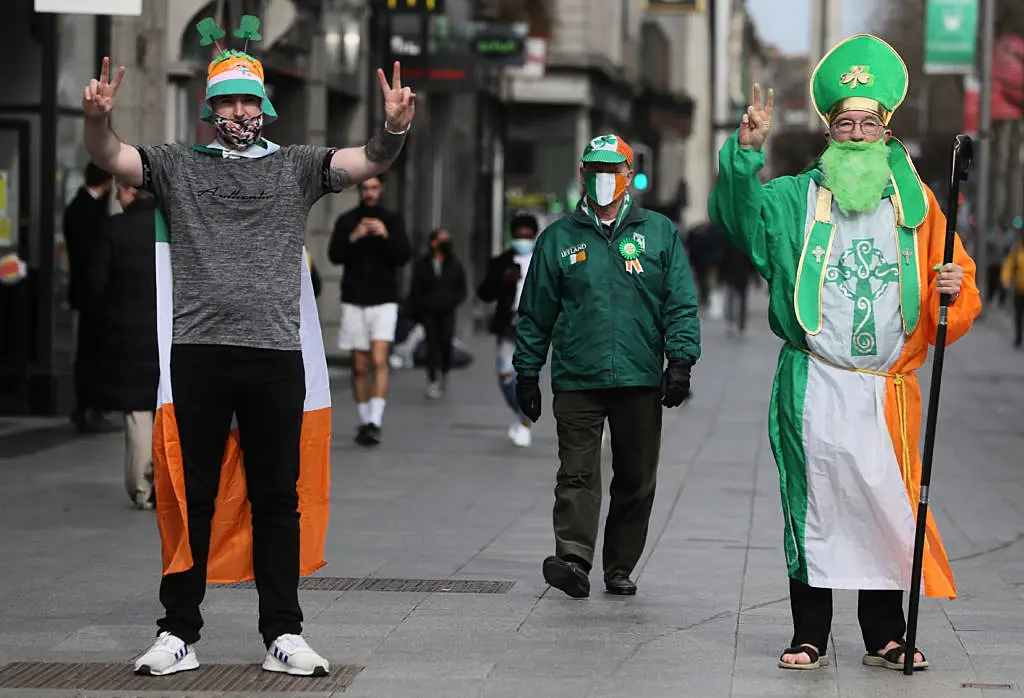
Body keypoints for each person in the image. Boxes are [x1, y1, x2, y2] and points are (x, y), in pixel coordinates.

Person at [81, 14, 415, 678]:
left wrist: (395, 126)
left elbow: (367, 160)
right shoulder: (177, 165)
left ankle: (283, 633)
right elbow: (112, 157)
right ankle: (178, 630)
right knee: (189, 495)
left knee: (275, 499)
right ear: (210, 109)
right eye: (226, 101)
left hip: (274, 356)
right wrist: (96, 119)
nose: (237, 111)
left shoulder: (296, 167)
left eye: (247, 100)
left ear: (263, 106)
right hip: (198, 353)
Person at [708, 35, 981, 672]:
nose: (856, 132)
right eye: (845, 122)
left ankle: (886, 634)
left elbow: (956, 279)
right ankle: (810, 632)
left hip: (886, 388)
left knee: (886, 505)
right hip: (817, 383)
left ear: (886, 130)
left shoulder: (918, 205)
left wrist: (952, 287)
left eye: (869, 122)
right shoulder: (794, 199)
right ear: (830, 129)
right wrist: (747, 153)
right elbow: (740, 217)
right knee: (815, 504)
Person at [513, 133, 701, 599]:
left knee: (636, 476)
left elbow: (679, 302)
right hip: (578, 376)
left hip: (638, 376)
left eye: (611, 171)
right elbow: (536, 312)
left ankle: (619, 565)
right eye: (593, 171)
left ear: (627, 175)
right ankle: (573, 559)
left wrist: (680, 359)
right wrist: (526, 371)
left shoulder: (657, 232)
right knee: (576, 472)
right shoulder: (558, 238)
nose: (602, 180)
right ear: (582, 174)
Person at [86, 182, 159, 510]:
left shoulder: (115, 229)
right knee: (166, 409)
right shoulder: (172, 227)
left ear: (131, 191)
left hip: (127, 332)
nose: (116, 195)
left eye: (120, 189)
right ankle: (168, 483)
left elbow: (95, 284)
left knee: (138, 412)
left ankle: (143, 487)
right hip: (169, 331)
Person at [327, 174, 411, 446]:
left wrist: (385, 235)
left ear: (381, 190)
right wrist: (355, 236)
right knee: (360, 366)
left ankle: (376, 420)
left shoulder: (392, 220)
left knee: (379, 359)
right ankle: (364, 420)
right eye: (365, 188)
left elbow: (404, 255)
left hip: (384, 299)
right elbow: (334, 255)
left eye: (374, 187)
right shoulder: (348, 220)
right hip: (354, 299)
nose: (370, 192)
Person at [477, 213, 540, 447]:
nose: (523, 239)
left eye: (528, 235)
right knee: (505, 375)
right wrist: (504, 280)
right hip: (508, 324)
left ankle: (525, 423)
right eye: (518, 235)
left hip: (534, 325)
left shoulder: (544, 260)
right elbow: (484, 293)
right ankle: (524, 412)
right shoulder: (501, 262)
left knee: (527, 374)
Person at [64, 162, 118, 433]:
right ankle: (88, 405)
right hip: (92, 293)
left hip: (89, 291)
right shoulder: (88, 210)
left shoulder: (81, 206)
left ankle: (91, 405)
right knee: (90, 351)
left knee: (92, 350)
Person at [407, 228, 467, 399]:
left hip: (447, 311)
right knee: (431, 344)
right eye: (440, 239)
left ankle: (445, 372)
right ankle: (432, 378)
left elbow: (461, 289)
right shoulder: (423, 264)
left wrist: (451, 301)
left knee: (446, 342)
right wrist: (415, 308)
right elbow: (415, 288)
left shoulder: (454, 264)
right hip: (429, 311)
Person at [1001, 227, 1024, 348]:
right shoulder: (1017, 251)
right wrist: (1005, 279)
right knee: (1019, 315)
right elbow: (1008, 266)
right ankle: (1018, 338)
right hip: (1019, 290)